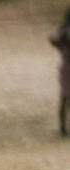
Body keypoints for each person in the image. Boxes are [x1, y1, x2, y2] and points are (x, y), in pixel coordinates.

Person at [52, 8, 70, 136]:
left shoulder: (66, 30)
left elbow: (53, 40)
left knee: (65, 98)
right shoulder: (66, 30)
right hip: (67, 68)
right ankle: (62, 128)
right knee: (65, 97)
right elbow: (54, 40)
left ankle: (63, 128)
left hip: (66, 66)